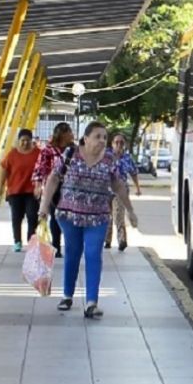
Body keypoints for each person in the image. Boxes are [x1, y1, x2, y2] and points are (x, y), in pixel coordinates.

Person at [38, 121, 137, 319]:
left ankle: (92, 302)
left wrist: (130, 211)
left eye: (104, 137)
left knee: (93, 254)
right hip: (70, 215)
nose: (102, 141)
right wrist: (43, 207)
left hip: (98, 217)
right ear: (86, 138)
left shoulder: (109, 159)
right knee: (72, 254)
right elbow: (53, 179)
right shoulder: (70, 154)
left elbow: (118, 185)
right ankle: (67, 295)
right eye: (97, 136)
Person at [32, 123, 75, 258]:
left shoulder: (75, 150)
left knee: (69, 217)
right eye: (69, 132)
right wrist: (39, 185)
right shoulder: (48, 150)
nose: (72, 135)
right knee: (55, 216)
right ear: (63, 134)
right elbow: (40, 168)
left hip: (71, 187)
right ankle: (56, 245)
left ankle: (70, 243)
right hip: (53, 187)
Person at [0, 129, 41, 252]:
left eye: (28, 140)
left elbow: (44, 169)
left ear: (32, 141)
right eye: (22, 140)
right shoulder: (12, 154)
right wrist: (1, 187)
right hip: (15, 191)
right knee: (16, 217)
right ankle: (17, 241)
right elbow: (4, 170)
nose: (25, 143)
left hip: (32, 191)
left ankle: (31, 240)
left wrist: (41, 186)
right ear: (18, 141)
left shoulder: (38, 154)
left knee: (32, 216)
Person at [105, 133, 141, 251]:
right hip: (105, 190)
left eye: (121, 142)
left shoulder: (127, 158)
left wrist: (138, 188)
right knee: (106, 216)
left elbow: (134, 173)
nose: (119, 145)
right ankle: (107, 241)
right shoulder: (106, 156)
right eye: (117, 142)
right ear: (112, 144)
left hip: (121, 192)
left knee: (118, 215)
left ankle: (122, 240)